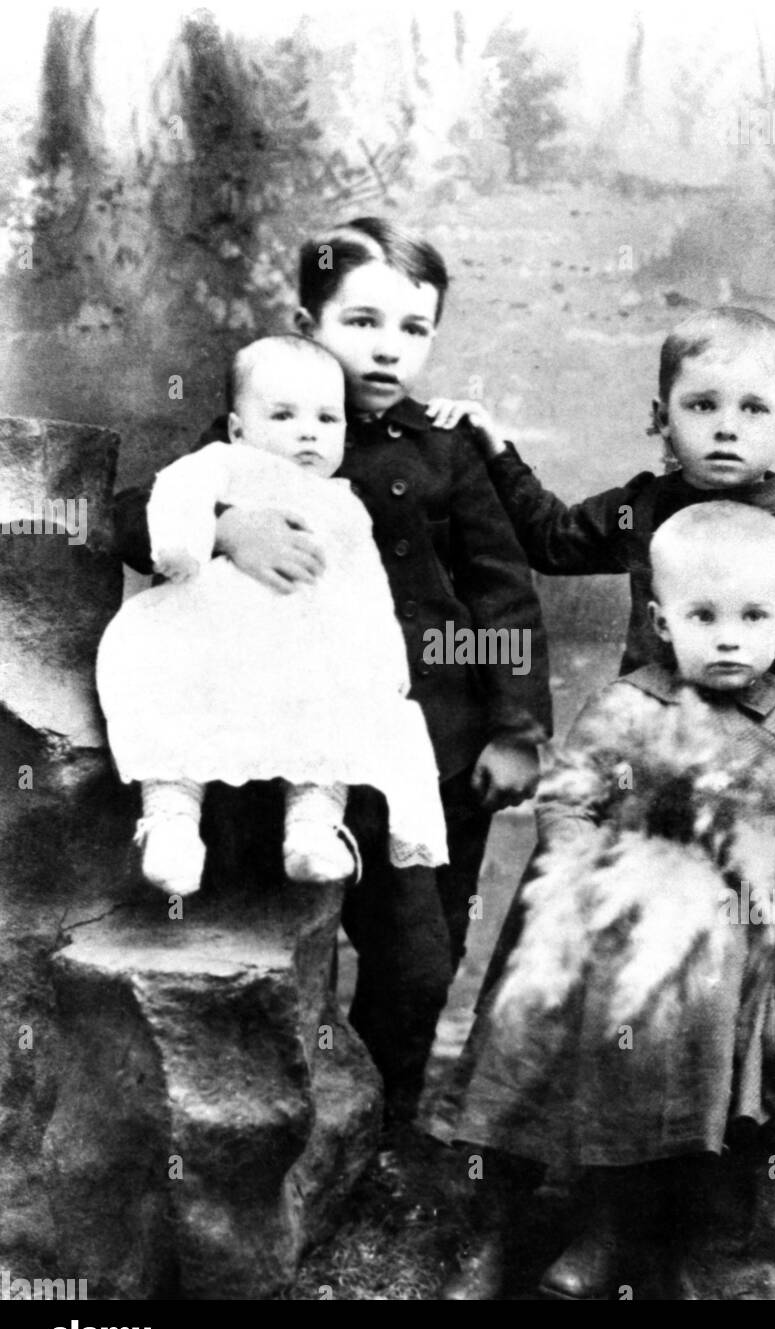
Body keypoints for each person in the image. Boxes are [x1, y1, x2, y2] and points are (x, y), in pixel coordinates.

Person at [110, 218, 552, 1129]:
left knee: (419, 961)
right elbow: (145, 510)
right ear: (308, 322)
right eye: (361, 322)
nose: (388, 348)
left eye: (413, 329)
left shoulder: (445, 449)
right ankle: (282, 1124)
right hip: (282, 731)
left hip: (417, 744)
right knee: (274, 930)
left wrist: (515, 731)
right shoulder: (264, 422)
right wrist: (228, 525)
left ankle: (386, 1126)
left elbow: (503, 593)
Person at [436, 502, 775, 1300]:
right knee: (526, 1017)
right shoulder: (627, 704)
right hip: (601, 910)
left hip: (708, 934)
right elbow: (567, 800)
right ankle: (494, 1224)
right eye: (703, 616)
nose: (728, 637)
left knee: (673, 1027)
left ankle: (613, 1224)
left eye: (752, 617)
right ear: (661, 622)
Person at [97, 334, 447, 895]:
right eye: (283, 416)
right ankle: (170, 826)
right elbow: (164, 504)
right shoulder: (222, 464)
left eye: (327, 419)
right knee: (170, 698)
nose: (308, 432)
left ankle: (313, 828)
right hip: (209, 641)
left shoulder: (348, 503)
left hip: (303, 656)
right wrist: (213, 530)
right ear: (238, 429)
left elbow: (367, 591)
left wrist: (382, 664)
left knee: (336, 714)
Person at [427, 305, 775, 753]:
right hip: (649, 741)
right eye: (702, 405)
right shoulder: (642, 509)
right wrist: (494, 450)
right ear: (663, 418)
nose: (727, 428)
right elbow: (552, 541)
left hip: (756, 752)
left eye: (753, 409)